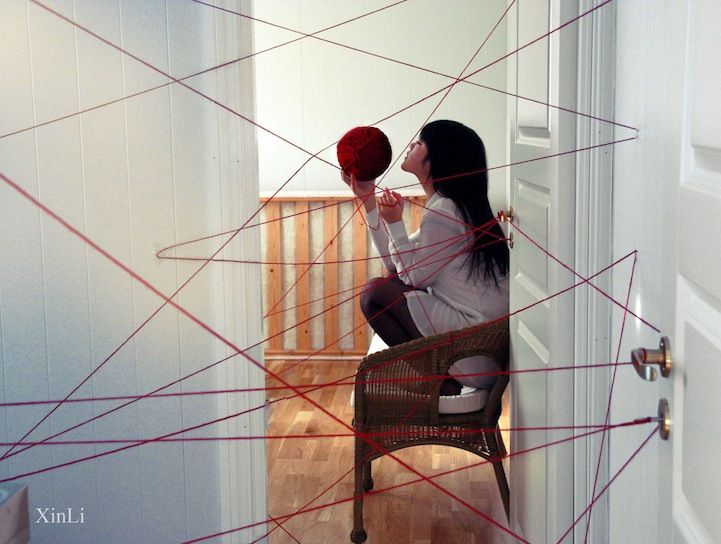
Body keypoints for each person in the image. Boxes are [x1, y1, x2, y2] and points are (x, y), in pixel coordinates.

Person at [342, 120, 509, 395]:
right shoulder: (450, 206)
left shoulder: (445, 211)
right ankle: (439, 379)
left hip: (476, 350)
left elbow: (412, 275)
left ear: (436, 160)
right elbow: (395, 266)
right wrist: (369, 202)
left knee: (374, 294)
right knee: (381, 286)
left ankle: (440, 384)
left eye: (419, 143)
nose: (410, 146)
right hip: (482, 350)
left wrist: (395, 223)